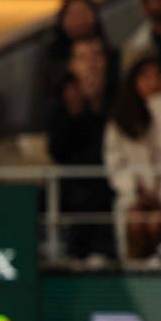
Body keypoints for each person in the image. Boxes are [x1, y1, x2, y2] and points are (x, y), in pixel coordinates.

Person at [105, 55, 161, 260]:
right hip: (137, 191)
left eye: (157, 76)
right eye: (145, 76)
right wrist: (136, 187)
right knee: (136, 219)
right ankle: (135, 275)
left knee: (157, 220)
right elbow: (115, 165)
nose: (152, 82)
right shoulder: (120, 121)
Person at [47, 35, 117, 259]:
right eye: (83, 58)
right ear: (71, 65)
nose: (91, 64)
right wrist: (75, 112)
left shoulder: (121, 99)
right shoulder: (62, 105)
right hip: (77, 188)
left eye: (97, 56)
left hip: (116, 181)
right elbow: (58, 152)